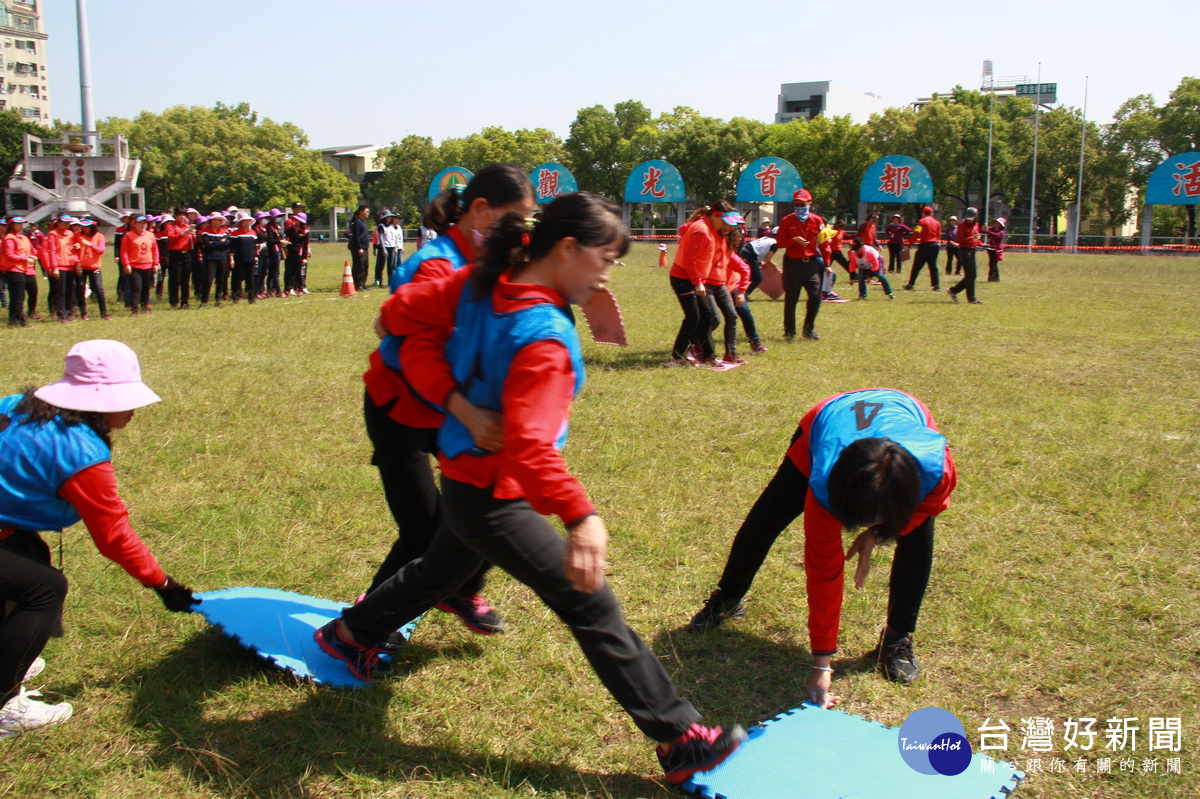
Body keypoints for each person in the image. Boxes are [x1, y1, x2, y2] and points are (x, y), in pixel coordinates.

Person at [319, 192, 746, 784]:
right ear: (567, 249)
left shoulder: (481, 281)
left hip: (474, 482)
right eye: (604, 258)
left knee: (442, 567)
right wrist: (579, 514)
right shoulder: (540, 335)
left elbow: (394, 317)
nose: (607, 272)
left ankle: (352, 633)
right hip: (493, 492)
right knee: (588, 601)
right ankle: (682, 739)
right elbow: (528, 445)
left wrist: (459, 404)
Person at [687, 389, 956, 708]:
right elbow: (824, 575)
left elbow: (926, 510)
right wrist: (821, 663)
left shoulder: (936, 470)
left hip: (904, 411)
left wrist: (880, 533)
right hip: (828, 418)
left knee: (918, 539)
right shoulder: (826, 482)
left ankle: (898, 638)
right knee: (765, 519)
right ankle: (728, 597)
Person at [362, 164, 536, 637]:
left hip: (454, 411)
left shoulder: (497, 257)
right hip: (403, 410)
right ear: (480, 211)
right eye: (514, 219)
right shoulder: (436, 265)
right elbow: (412, 350)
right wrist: (466, 411)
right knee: (423, 535)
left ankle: (458, 590)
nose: (522, 231)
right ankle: (368, 625)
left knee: (489, 509)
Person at [0, 340, 198, 738]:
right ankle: (4, 704)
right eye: (127, 400)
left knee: (27, 556)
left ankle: (10, 651)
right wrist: (163, 584)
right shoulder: (82, 454)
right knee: (44, 589)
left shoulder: (15, 405)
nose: (134, 410)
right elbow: (113, 536)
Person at [667, 202, 741, 366]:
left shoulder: (711, 229)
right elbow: (690, 260)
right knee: (693, 317)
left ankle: (708, 356)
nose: (725, 226)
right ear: (714, 216)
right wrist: (698, 283)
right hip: (683, 278)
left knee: (707, 316)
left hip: (696, 279)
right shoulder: (701, 230)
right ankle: (677, 357)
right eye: (723, 221)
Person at [775, 189, 826, 341]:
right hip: (793, 265)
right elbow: (779, 242)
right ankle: (789, 332)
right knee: (791, 299)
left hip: (811, 264)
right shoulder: (787, 220)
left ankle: (809, 330)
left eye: (802, 204)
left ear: (810, 203)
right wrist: (793, 240)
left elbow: (824, 242)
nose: (799, 207)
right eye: (796, 204)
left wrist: (827, 263)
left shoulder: (817, 221)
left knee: (816, 297)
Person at [119, 215, 159, 314]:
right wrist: (126, 264)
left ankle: (145, 307)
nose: (142, 225)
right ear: (135, 224)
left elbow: (155, 250)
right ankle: (135, 309)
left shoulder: (150, 235)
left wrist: (155, 263)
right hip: (135, 266)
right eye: (140, 223)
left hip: (148, 265)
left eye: (144, 223)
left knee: (146, 288)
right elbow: (124, 251)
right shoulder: (129, 235)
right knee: (136, 288)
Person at [3, 217, 37, 327]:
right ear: (12, 225)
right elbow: (9, 255)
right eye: (18, 224)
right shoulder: (9, 238)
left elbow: (31, 250)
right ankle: (19, 320)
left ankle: (14, 320)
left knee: (19, 296)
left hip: (24, 270)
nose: (21, 226)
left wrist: (32, 256)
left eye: (22, 224)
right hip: (14, 270)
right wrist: (24, 259)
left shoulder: (24, 237)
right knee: (18, 297)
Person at [74, 219, 109, 320]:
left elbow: (101, 250)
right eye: (83, 226)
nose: (84, 228)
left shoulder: (99, 236)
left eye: (87, 226)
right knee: (80, 290)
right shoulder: (77, 235)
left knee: (99, 290)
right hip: (82, 267)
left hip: (94, 266)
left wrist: (89, 244)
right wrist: (77, 263)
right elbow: (74, 251)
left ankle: (104, 313)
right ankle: (83, 312)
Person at [948, 209, 983, 304]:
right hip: (964, 251)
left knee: (972, 275)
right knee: (970, 275)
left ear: (975, 217)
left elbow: (976, 239)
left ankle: (954, 290)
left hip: (972, 251)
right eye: (967, 218)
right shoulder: (962, 225)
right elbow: (960, 240)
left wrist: (982, 244)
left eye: (971, 218)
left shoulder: (976, 225)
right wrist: (971, 238)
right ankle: (971, 299)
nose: (968, 220)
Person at [163, 207, 196, 310]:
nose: (182, 217)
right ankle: (174, 302)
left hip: (187, 254)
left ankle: (185, 302)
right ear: (175, 216)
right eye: (179, 215)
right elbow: (171, 237)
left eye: (183, 215)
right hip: (175, 254)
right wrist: (183, 234)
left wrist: (194, 235)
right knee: (175, 280)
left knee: (185, 280)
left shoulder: (187, 226)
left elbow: (193, 241)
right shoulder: (171, 226)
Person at [196, 214, 232, 307]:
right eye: (215, 220)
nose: (217, 222)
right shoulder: (205, 232)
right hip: (210, 258)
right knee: (208, 279)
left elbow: (226, 244)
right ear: (211, 221)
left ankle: (218, 300)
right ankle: (204, 301)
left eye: (219, 220)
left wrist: (214, 243)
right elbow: (207, 244)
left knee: (221, 280)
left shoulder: (224, 232)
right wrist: (220, 242)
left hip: (222, 258)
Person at [902, 206, 941, 291]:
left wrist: (909, 246)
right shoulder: (937, 223)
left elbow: (916, 234)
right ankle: (937, 285)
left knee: (917, 266)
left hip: (925, 246)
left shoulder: (921, 222)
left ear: (923, 213)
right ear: (932, 213)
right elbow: (938, 235)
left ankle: (911, 284)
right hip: (935, 245)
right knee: (933, 266)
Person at [229, 214, 259, 304]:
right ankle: (235, 297)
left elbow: (254, 246)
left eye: (248, 221)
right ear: (241, 222)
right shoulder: (235, 234)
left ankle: (251, 298)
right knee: (237, 279)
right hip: (239, 259)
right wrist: (231, 259)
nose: (247, 222)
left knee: (251, 280)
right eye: (244, 221)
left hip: (250, 259)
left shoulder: (253, 233)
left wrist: (256, 255)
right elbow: (231, 248)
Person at [283, 212, 311, 295]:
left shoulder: (305, 231)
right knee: (288, 271)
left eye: (298, 219)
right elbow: (286, 239)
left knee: (299, 272)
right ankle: (288, 288)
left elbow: (306, 245)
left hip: (299, 253)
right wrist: (285, 249)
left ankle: (300, 288)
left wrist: (304, 257)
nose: (296, 220)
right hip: (290, 252)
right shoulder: (290, 228)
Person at [374, 211, 404, 286]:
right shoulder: (381, 226)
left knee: (391, 265)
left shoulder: (391, 226)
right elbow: (380, 238)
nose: (390, 218)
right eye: (388, 216)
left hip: (392, 247)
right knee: (381, 265)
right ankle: (379, 280)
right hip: (384, 247)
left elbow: (394, 238)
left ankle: (391, 281)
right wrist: (383, 249)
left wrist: (396, 248)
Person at [348, 205, 371, 291]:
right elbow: (356, 236)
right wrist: (359, 247)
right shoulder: (357, 222)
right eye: (366, 211)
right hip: (359, 248)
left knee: (365, 266)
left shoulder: (363, 221)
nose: (368, 213)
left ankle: (363, 283)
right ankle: (358, 284)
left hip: (365, 247)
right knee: (359, 266)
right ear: (361, 212)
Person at [985, 217, 1005, 282]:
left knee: (993, 264)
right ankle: (994, 278)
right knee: (992, 263)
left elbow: (997, 236)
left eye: (998, 223)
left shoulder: (1001, 232)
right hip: (990, 248)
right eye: (996, 222)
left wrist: (987, 231)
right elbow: (984, 230)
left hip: (996, 250)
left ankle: (993, 278)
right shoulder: (991, 229)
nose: (996, 223)